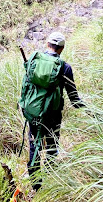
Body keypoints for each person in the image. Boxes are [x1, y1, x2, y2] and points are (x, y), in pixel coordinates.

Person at [27, 31, 84, 190]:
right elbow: (74, 99)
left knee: (34, 147)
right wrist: (90, 109)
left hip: (33, 114)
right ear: (61, 49)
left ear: (47, 45)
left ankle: (36, 188)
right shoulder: (64, 68)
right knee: (51, 147)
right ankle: (51, 183)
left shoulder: (34, 61)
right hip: (53, 116)